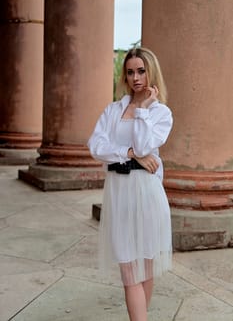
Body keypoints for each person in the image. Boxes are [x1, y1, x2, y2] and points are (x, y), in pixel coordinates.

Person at [87, 47, 173, 321]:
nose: (136, 78)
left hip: (147, 193)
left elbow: (146, 143)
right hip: (119, 192)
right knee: (128, 270)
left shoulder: (160, 113)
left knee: (144, 269)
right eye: (130, 72)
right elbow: (96, 146)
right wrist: (129, 153)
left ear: (151, 72)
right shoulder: (113, 110)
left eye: (141, 71)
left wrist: (143, 110)